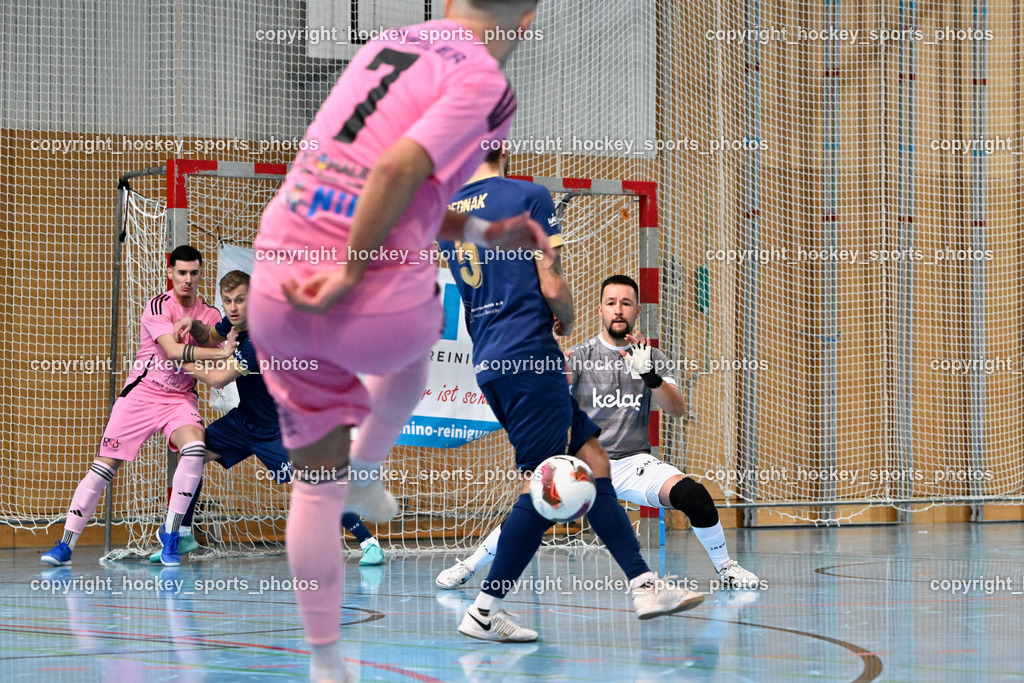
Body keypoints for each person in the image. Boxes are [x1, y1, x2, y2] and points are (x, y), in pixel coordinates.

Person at [246, 2, 551, 679]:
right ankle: (368, 463)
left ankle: (326, 660)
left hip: (277, 286)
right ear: (527, 20)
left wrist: (482, 231)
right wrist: (350, 271)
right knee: (415, 345)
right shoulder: (488, 84)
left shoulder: (390, 41)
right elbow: (394, 173)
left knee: (314, 491)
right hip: (367, 299)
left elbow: (401, 192)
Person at [436, 149, 704, 644]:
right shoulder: (526, 196)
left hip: (491, 360)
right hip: (529, 353)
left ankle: (645, 585)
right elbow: (551, 282)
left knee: (593, 459)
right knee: (546, 486)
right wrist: (566, 317)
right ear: (500, 143)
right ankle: (484, 611)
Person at [436, 274, 761, 590]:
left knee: (695, 496)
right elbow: (551, 397)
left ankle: (726, 567)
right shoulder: (580, 356)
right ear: (600, 309)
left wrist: (650, 375)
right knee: (530, 512)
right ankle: (471, 564)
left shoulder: (651, 356)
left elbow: (676, 409)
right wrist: (551, 362)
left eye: (626, 303)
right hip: (585, 464)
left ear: (637, 310)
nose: (618, 310)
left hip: (634, 463)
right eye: (611, 303)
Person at [152, 270, 385, 566]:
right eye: (227, 301)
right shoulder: (236, 321)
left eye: (240, 300)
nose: (233, 307)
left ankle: (369, 543)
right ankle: (184, 533)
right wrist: (194, 324)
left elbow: (218, 379)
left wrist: (176, 358)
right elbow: (211, 335)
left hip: (279, 430)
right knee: (192, 454)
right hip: (244, 421)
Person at [42, 245, 233, 568]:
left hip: (179, 399)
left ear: (202, 274)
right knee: (103, 469)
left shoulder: (211, 316)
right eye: (181, 272)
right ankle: (65, 545)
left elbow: (224, 354)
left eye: (193, 273)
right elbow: (173, 351)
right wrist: (221, 353)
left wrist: (228, 356)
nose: (187, 279)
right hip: (142, 395)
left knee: (195, 449)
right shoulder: (158, 305)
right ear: (170, 273)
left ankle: (171, 535)